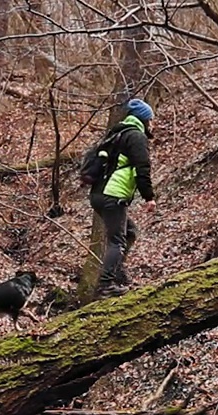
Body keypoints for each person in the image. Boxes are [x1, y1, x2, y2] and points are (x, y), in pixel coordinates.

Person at [91, 98, 156, 297]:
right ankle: (105, 285)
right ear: (143, 119)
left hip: (98, 194)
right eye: (151, 119)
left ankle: (116, 273)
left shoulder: (116, 134)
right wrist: (149, 197)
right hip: (113, 194)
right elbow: (141, 169)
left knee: (130, 232)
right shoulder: (136, 137)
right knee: (117, 240)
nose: (152, 124)